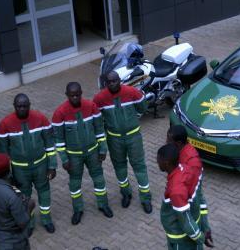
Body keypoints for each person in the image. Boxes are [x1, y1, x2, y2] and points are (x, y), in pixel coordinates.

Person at [52, 82, 113, 224]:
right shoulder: (59, 113)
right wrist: (64, 159)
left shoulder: (91, 107)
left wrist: (103, 149)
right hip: (73, 156)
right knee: (74, 183)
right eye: (72, 95)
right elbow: (59, 140)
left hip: (93, 152)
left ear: (81, 93)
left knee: (99, 179)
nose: (75, 98)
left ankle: (103, 204)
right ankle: (78, 210)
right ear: (67, 95)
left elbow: (99, 130)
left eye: (77, 95)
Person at [93, 71, 152, 214]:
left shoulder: (132, 92)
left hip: (133, 137)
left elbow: (143, 108)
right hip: (114, 139)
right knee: (119, 167)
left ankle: (146, 198)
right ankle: (126, 193)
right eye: (109, 82)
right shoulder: (100, 98)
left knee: (139, 166)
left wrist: (134, 119)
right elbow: (97, 119)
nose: (112, 84)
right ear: (106, 84)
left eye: (115, 81)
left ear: (120, 80)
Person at [0, 94, 57, 234]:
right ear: (14, 106)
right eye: (19, 106)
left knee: (45, 192)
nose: (22, 109)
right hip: (20, 169)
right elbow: (3, 153)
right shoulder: (5, 124)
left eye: (25, 106)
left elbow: (49, 144)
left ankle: (46, 220)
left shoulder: (40, 118)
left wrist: (52, 166)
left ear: (29, 105)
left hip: (40, 165)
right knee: (24, 197)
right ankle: (29, 224)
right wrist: (8, 174)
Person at [167, 125, 214, 248]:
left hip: (187, 225)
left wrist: (205, 227)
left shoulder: (192, 163)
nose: (166, 142)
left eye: (169, 140)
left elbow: (199, 197)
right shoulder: (179, 153)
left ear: (178, 142)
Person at [0, 153, 35, 250]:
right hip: (13, 241)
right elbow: (23, 222)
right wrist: (30, 206)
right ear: (8, 171)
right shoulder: (12, 195)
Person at [157, 144, 204, 250]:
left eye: (158, 160)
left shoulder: (176, 191)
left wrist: (199, 238)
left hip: (180, 239)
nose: (157, 163)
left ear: (166, 163)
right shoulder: (185, 169)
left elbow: (185, 220)